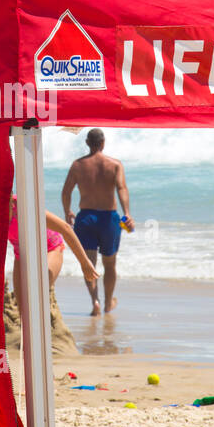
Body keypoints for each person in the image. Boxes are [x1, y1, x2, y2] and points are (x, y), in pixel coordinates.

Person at [61, 129, 133, 315]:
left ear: (87, 142)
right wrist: (126, 214)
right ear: (103, 143)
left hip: (85, 219)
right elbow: (122, 188)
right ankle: (108, 302)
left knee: (89, 265)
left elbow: (66, 191)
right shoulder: (115, 165)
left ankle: (95, 302)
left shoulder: (78, 165)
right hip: (109, 218)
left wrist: (67, 212)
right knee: (110, 264)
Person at [7, 195, 100, 316]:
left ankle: (46, 305)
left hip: (50, 247)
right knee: (23, 311)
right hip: (22, 253)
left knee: (37, 291)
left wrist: (84, 262)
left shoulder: (22, 206)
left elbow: (65, 228)